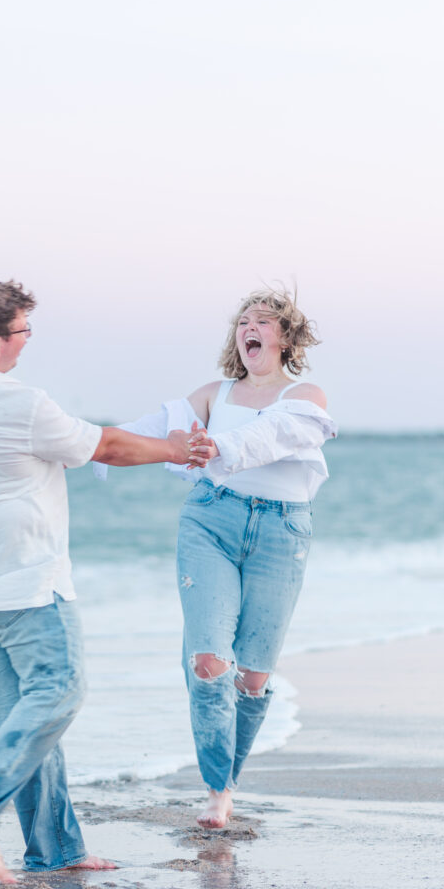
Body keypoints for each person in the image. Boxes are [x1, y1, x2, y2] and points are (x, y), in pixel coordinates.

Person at [0, 277, 212, 885]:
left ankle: (56, 850)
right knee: (59, 693)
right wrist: (174, 448)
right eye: (21, 331)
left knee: (24, 718)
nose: (25, 342)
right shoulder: (20, 404)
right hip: (22, 587)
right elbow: (109, 447)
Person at [106, 288, 336, 828]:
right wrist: (84, 444)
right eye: (242, 321)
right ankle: (217, 792)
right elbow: (152, 428)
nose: (249, 328)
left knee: (252, 677)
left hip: (283, 530)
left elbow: (279, 433)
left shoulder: (306, 394)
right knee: (209, 661)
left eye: (263, 321)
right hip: (211, 518)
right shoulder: (216, 392)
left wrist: (222, 448)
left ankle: (226, 779)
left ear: (286, 337)